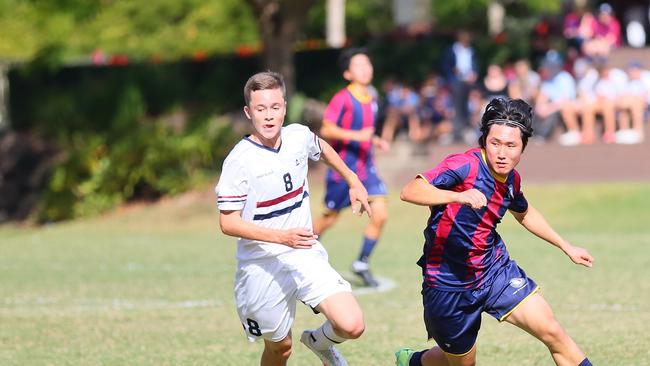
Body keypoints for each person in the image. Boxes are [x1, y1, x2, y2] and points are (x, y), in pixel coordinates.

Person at [395, 97, 594, 366]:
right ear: (484, 141)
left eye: (511, 145)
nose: (502, 153)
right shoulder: (463, 165)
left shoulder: (512, 180)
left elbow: (524, 213)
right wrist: (458, 197)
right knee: (461, 362)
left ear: (523, 146)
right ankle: (415, 362)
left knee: (553, 332)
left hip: (493, 270)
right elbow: (410, 191)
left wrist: (565, 245)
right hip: (447, 283)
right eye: (495, 143)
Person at [216, 71, 372, 366]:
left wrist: (353, 179)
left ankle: (318, 342)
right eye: (260, 109)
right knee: (281, 348)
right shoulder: (239, 161)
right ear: (249, 112)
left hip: (303, 251)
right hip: (261, 263)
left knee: (352, 324)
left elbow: (321, 147)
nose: (269, 115)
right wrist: (281, 237)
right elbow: (228, 223)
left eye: (275, 107)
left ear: (285, 107)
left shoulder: (298, 135)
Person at [313, 48, 390, 287]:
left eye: (367, 64)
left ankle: (362, 263)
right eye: (358, 65)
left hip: (368, 169)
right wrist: (357, 135)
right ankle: (301, 249)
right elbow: (326, 130)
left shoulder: (372, 99)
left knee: (381, 213)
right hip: (343, 171)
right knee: (329, 218)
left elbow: (366, 133)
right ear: (347, 73)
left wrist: (374, 139)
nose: (365, 68)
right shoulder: (342, 98)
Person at [441, 30, 479, 143]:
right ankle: (457, 130)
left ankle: (467, 128)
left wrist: (474, 73)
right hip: (456, 80)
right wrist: (452, 73)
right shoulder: (452, 50)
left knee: (467, 104)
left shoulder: (471, 51)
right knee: (457, 105)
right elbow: (445, 65)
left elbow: (474, 65)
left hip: (468, 81)